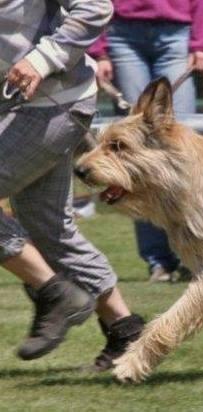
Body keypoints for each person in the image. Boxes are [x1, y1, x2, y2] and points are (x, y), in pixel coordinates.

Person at [0, 0, 144, 371]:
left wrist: (40, 59)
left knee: (49, 229)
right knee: (50, 229)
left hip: (51, 104)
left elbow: (94, 6)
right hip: (21, 109)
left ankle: (55, 293)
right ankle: (126, 331)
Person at [88, 0, 203, 282]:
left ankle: (194, 255)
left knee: (178, 145)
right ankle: (159, 261)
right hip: (121, 33)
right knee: (133, 160)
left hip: (176, 32)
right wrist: (98, 52)